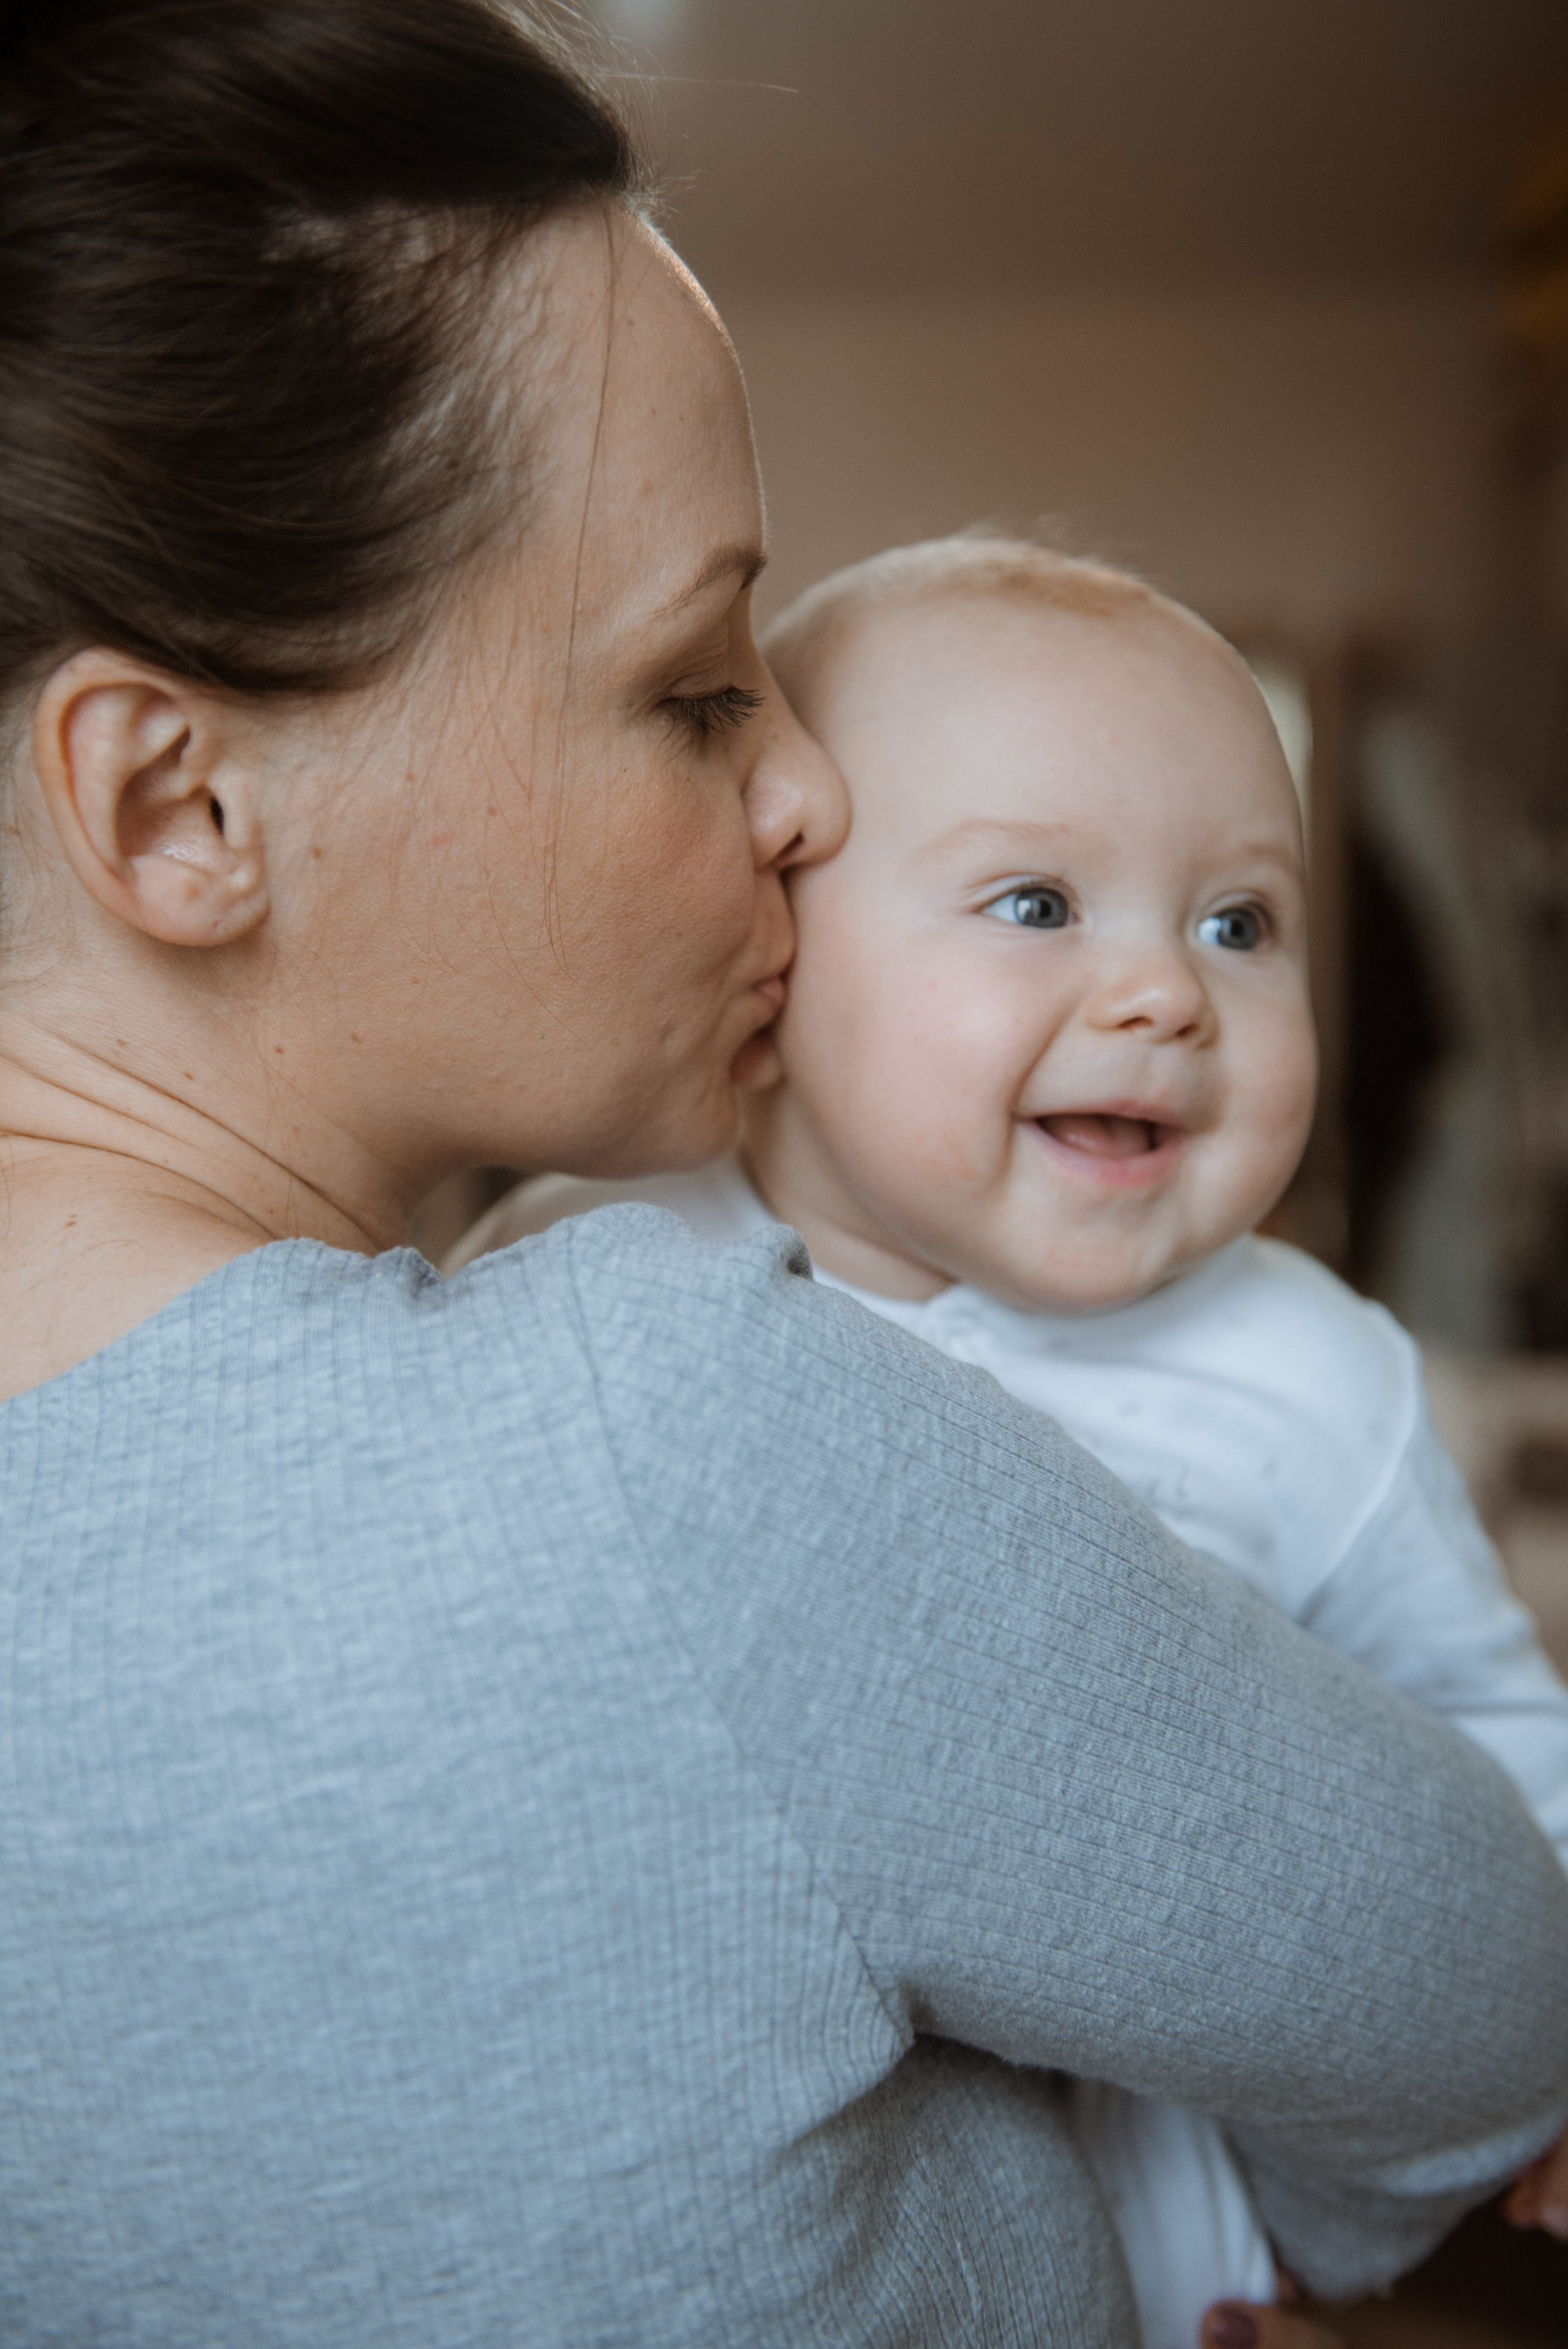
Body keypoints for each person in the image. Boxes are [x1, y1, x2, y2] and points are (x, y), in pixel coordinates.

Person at [0, 7, 1564, 2344]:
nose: (813, 795)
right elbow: (1496, 2008)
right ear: (173, 810)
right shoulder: (654, 1435)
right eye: (695, 687)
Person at [456, 536, 1568, 2344]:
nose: (1166, 994)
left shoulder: (1313, 1376)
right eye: (1039, 905)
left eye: (1240, 922)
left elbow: (1492, 1727)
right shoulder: (596, 1270)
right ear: (778, 954)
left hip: (1173, 2258)